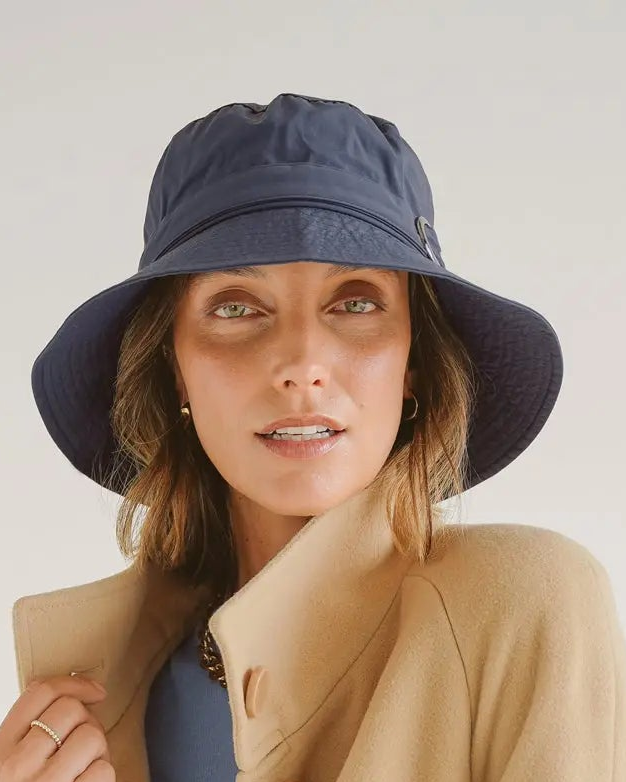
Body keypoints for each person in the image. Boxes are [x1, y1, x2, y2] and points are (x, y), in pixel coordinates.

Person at [2, 92, 624, 782]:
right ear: (174, 370)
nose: (302, 364)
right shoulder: (99, 698)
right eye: (236, 308)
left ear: (413, 362)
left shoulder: (521, 601)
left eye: (355, 302)